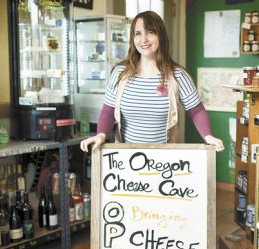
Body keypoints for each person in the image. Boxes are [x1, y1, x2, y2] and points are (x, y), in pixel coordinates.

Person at [80, 11, 224, 152]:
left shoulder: (178, 75)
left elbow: (196, 110)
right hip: (126, 159)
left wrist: (208, 136)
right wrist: (101, 135)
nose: (143, 39)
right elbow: (108, 111)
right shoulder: (120, 73)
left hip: (163, 161)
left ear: (160, 35)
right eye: (138, 33)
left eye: (150, 32)